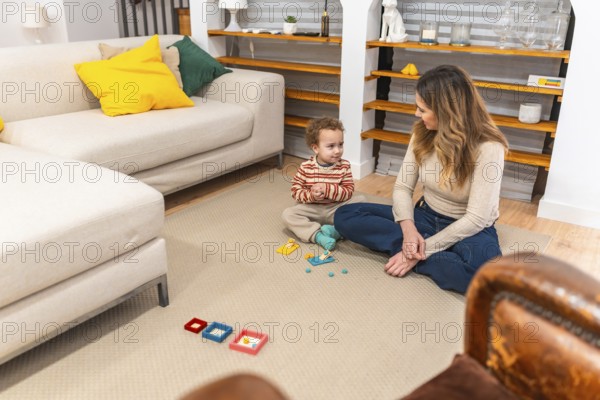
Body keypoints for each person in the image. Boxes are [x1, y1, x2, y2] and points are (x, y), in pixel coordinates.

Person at [334, 65, 509, 294]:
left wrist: (421, 251)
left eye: (423, 109)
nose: (417, 114)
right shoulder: (421, 133)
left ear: (447, 112)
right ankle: (420, 247)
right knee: (345, 215)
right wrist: (408, 231)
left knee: (484, 279)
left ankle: (415, 253)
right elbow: (403, 188)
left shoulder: (489, 148)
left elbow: (477, 218)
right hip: (426, 215)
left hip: (470, 228)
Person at [282, 117, 363, 251]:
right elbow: (295, 191)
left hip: (336, 209)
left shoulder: (344, 166)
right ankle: (317, 236)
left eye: (340, 144)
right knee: (288, 214)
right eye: (331, 146)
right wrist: (311, 195)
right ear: (316, 148)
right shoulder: (306, 167)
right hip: (312, 209)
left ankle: (335, 231)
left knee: (362, 203)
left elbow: (348, 192)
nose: (337, 150)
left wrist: (328, 189)